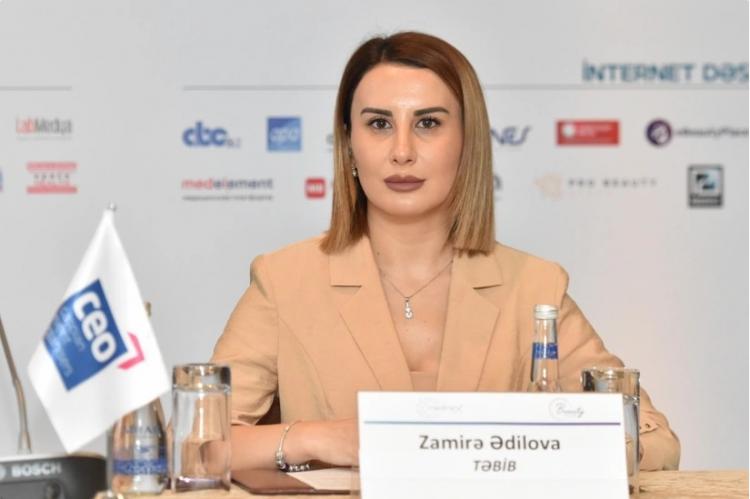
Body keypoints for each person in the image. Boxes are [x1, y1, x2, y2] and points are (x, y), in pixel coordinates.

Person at [211, 31, 680, 472]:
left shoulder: (535, 286)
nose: (402, 151)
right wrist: (315, 438)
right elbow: (198, 444)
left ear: (467, 142)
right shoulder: (285, 279)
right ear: (349, 144)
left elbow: (656, 442)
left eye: (428, 123)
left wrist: (529, 444)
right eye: (378, 124)